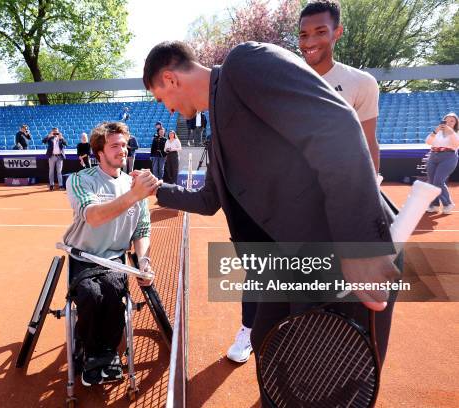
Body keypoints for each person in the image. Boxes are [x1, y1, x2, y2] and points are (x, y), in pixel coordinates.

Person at [142, 41, 399, 403]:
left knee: (329, 387)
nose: (167, 110)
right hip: (290, 265)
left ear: (169, 79)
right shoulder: (216, 139)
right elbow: (208, 200)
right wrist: (157, 189)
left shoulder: (243, 63)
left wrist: (360, 245)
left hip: (340, 253)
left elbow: (337, 125)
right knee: (269, 345)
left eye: (160, 98)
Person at [63, 121, 158, 386]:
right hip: (83, 257)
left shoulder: (134, 184)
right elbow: (93, 217)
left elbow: (142, 230)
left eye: (125, 145)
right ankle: (92, 353)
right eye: (115, 145)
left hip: (114, 260)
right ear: (99, 152)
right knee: (92, 295)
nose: (122, 150)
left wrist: (145, 262)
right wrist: (135, 195)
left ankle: (107, 354)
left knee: (115, 294)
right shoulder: (80, 180)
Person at [299, 0, 380, 172]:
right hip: (293, 186)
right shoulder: (285, 79)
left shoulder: (362, 82)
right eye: (303, 35)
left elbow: (369, 142)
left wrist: (371, 189)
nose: (309, 42)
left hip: (341, 184)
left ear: (337, 32)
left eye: (320, 32)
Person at [425, 113, 459, 214]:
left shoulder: (456, 133)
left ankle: (448, 204)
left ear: (456, 123)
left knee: (438, 181)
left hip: (448, 157)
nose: (448, 122)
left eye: (452, 121)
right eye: (446, 120)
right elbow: (428, 141)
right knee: (431, 181)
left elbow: (456, 144)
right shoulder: (438, 132)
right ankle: (434, 205)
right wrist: (435, 131)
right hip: (433, 155)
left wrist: (451, 132)